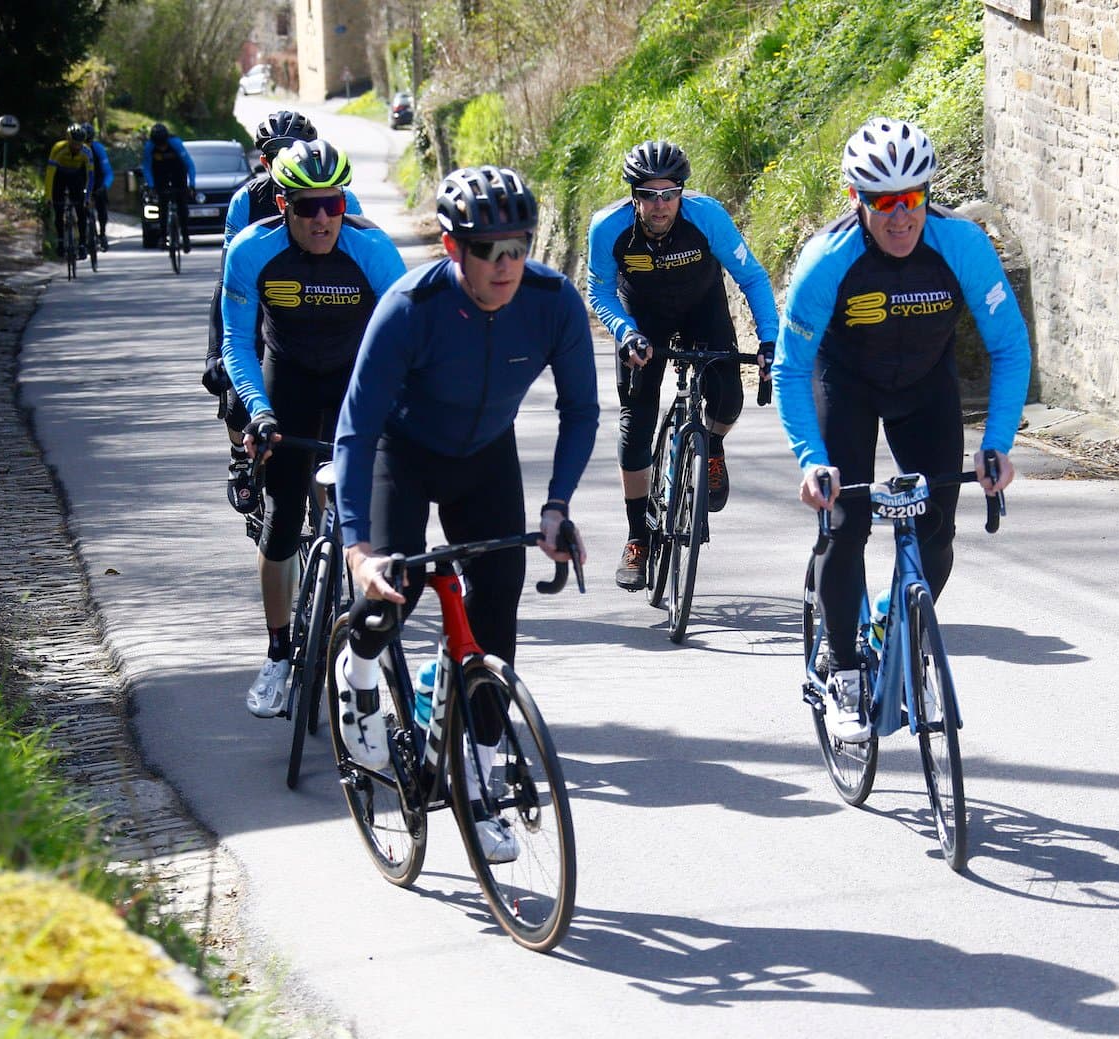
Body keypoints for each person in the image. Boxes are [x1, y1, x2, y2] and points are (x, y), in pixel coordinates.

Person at [332, 165, 598, 861]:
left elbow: (582, 409)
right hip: (404, 448)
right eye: (491, 251)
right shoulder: (409, 307)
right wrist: (357, 547)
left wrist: (556, 505)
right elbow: (356, 429)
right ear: (454, 249)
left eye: (520, 246)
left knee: (498, 606)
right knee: (393, 585)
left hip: (485, 454)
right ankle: (358, 680)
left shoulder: (550, 300)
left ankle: (481, 781)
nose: (508, 265)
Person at [773, 117, 1031, 744]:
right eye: (883, 203)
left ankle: (892, 624)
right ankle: (841, 669)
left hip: (924, 390)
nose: (899, 217)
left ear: (926, 197)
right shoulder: (826, 262)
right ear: (856, 201)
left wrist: (996, 443)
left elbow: (1010, 347)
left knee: (937, 526)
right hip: (846, 386)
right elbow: (790, 369)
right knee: (847, 521)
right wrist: (812, 461)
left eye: (911, 200)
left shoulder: (962, 246)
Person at [219, 139, 408, 719]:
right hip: (289, 379)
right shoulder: (252, 251)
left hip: (355, 379)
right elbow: (236, 342)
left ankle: (364, 651)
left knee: (366, 520)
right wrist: (258, 410)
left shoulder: (371, 249)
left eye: (333, 204)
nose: (323, 218)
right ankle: (278, 652)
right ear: (283, 205)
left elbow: (406, 336)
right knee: (280, 517)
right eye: (307, 207)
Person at [585, 140, 779, 591]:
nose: (660, 205)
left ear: (681, 193)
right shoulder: (607, 228)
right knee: (635, 427)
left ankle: (711, 445)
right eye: (649, 195)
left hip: (701, 308)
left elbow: (751, 277)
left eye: (669, 193)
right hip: (641, 319)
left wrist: (769, 339)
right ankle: (638, 538)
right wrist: (624, 331)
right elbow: (600, 292)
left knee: (729, 397)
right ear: (634, 195)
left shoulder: (707, 217)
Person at [203, 111, 365, 524]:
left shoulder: (337, 198)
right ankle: (241, 457)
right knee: (239, 386)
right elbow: (226, 285)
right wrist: (213, 355)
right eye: (276, 154)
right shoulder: (247, 200)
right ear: (264, 162)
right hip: (263, 299)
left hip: (322, 304)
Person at [44, 123, 97, 261]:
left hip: (76, 176)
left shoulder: (87, 151)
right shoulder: (58, 148)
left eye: (79, 144)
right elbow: (50, 173)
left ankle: (82, 244)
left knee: (81, 210)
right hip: (59, 175)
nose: (77, 147)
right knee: (59, 209)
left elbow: (90, 176)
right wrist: (48, 196)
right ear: (68, 140)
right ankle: (61, 241)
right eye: (74, 143)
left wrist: (87, 197)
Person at [141, 123, 196, 253]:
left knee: (182, 206)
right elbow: (147, 167)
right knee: (162, 206)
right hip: (161, 176)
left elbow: (189, 164)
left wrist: (192, 184)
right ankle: (163, 236)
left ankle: (186, 237)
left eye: (163, 143)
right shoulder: (149, 147)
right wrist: (151, 185)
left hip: (178, 174)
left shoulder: (175, 143)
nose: (161, 147)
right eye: (158, 144)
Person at [80, 123, 113, 251]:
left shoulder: (98, 149)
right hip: (82, 181)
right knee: (81, 207)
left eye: (88, 141)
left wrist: (105, 186)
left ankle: (103, 234)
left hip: (98, 180)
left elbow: (108, 171)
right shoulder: (77, 149)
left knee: (101, 204)